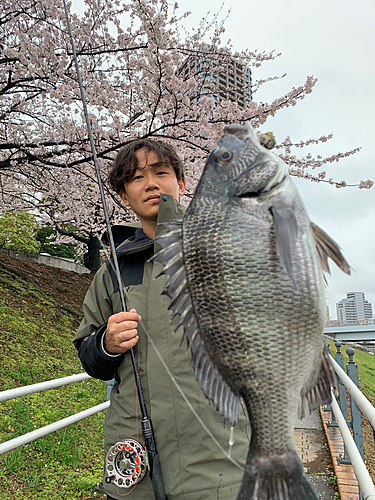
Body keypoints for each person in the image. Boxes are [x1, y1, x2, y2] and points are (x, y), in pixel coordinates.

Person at [74, 139, 250, 500]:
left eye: (161, 173)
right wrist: (106, 344)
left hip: (218, 462)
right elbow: (90, 358)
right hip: (133, 463)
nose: (150, 184)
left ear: (182, 184)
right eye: (136, 178)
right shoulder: (113, 273)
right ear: (124, 196)